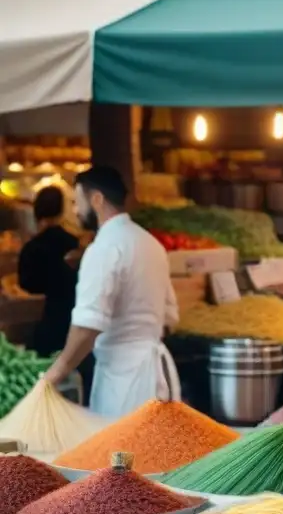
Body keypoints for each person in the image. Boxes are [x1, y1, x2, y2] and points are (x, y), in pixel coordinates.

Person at [43, 166, 181, 417]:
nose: (74, 210)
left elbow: (88, 324)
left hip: (122, 382)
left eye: (77, 201)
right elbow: (170, 317)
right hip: (155, 377)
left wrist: (57, 372)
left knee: (121, 455)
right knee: (154, 453)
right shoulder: (151, 244)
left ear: (96, 199)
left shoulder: (104, 248)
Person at [17, 187, 80, 356]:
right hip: (76, 327)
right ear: (62, 210)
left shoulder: (31, 249)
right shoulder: (75, 244)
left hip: (46, 328)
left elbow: (24, 285)